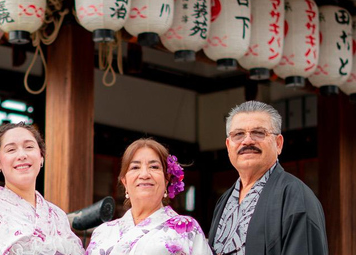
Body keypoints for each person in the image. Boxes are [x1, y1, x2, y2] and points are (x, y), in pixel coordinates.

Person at [209, 101, 328, 255]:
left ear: (278, 144)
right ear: (228, 146)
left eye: (258, 133)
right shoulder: (225, 201)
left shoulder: (294, 195)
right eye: (238, 134)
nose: (247, 141)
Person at [0, 122, 84, 255]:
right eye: (11, 149)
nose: (22, 155)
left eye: (29, 147)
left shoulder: (58, 216)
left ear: (41, 158)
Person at [86, 138, 211, 255]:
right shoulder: (102, 232)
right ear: (125, 182)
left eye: (154, 167)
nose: (144, 174)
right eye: (135, 167)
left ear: (167, 179)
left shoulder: (187, 228)